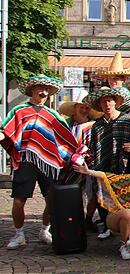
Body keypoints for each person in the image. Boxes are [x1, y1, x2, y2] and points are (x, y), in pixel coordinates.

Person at [1, 75, 79, 249]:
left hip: (48, 163)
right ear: (32, 90)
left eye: (46, 89)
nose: (43, 92)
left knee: (52, 199)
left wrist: (78, 152)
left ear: (49, 93)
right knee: (19, 200)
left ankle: (45, 230)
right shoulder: (19, 111)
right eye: (39, 88)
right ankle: (19, 234)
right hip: (26, 160)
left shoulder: (53, 115)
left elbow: (66, 138)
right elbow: (6, 130)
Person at [74, 158, 130, 259]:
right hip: (117, 217)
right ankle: (125, 246)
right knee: (128, 213)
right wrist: (88, 171)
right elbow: (109, 177)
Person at [84, 86, 130, 240]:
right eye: (103, 102)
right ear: (100, 105)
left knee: (123, 196)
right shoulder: (97, 125)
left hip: (124, 165)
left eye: (109, 101)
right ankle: (106, 224)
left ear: (115, 102)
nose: (107, 104)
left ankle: (126, 224)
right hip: (103, 165)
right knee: (102, 195)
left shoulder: (127, 121)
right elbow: (93, 148)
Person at [60, 90, 102, 230]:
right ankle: (72, 219)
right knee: (72, 194)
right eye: (81, 107)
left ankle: (88, 219)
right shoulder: (65, 125)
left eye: (86, 107)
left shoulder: (94, 125)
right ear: (75, 108)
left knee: (93, 195)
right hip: (68, 166)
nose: (84, 110)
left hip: (90, 165)